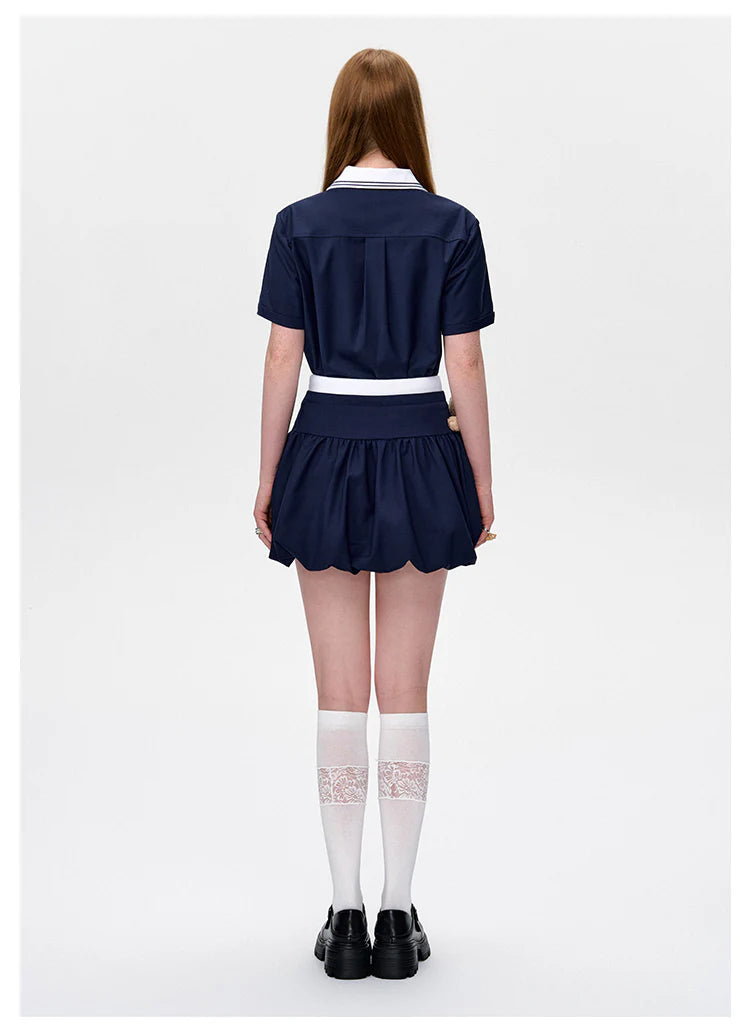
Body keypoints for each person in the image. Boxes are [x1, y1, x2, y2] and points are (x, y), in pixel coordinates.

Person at [253, 48, 495, 980]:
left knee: (338, 694)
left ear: (341, 119)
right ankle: (399, 913)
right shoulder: (453, 224)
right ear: (410, 119)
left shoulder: (298, 223)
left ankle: (344, 914)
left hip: (322, 451)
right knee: (406, 692)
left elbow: (283, 358)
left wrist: (268, 477)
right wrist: (481, 479)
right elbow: (463, 361)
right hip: (423, 453)